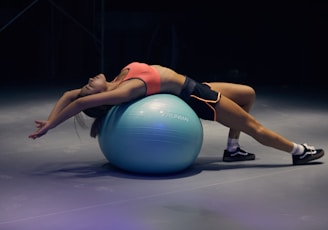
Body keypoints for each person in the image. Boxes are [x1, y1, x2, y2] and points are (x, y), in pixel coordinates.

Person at [28, 62, 324, 165]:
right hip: (196, 96)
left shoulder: (117, 80)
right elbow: (78, 103)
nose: (88, 80)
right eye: (88, 86)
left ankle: (232, 150)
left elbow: (70, 95)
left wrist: (52, 116)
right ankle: (297, 150)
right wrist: (52, 125)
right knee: (253, 126)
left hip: (194, 85)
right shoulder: (120, 92)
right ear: (100, 97)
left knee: (248, 93)